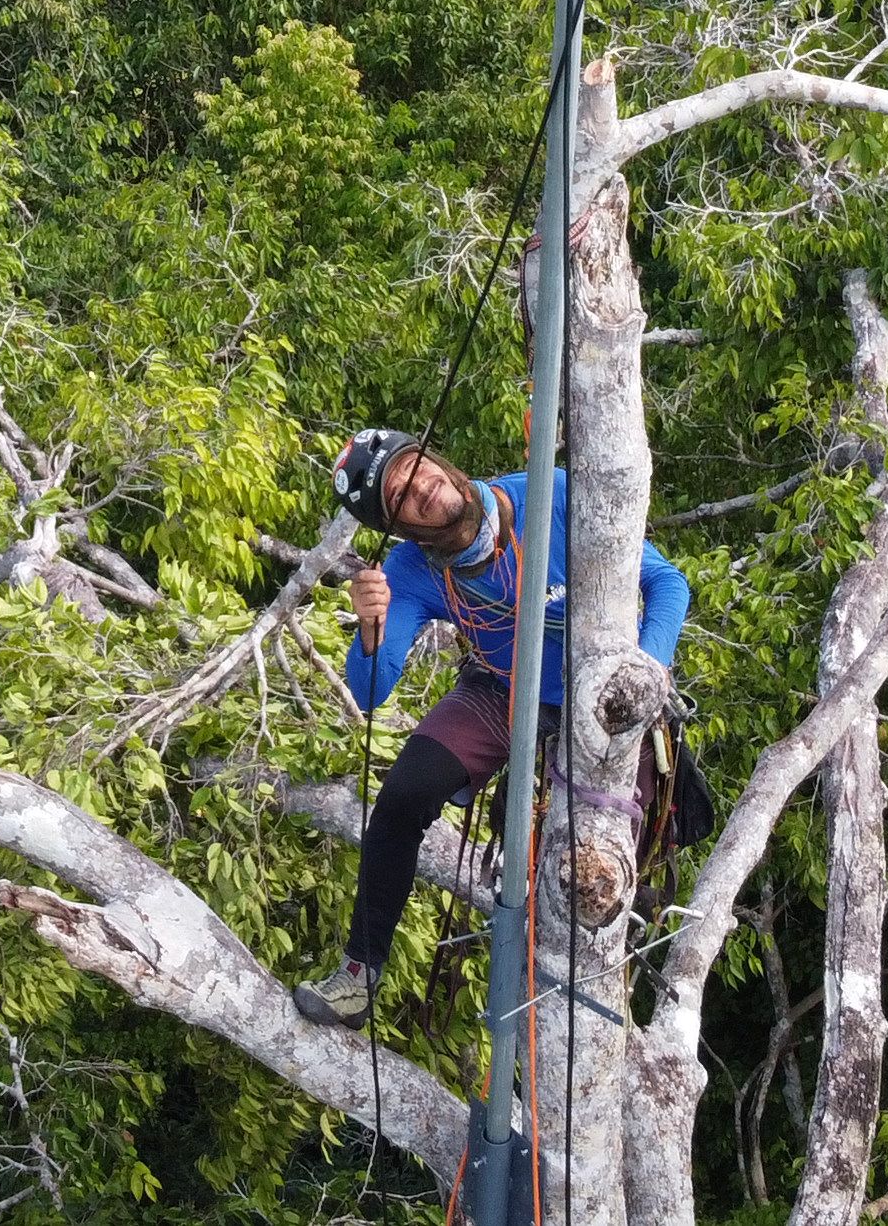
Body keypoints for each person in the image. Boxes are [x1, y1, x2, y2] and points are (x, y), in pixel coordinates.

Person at [289, 428, 691, 1029]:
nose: (422, 488)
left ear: (438, 460)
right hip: (502, 686)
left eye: (417, 466)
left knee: (598, 866)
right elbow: (371, 693)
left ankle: (617, 1009)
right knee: (402, 798)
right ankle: (359, 973)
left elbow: (665, 583)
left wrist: (643, 674)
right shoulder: (408, 571)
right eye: (401, 496)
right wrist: (370, 627)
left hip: (604, 689)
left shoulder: (547, 495)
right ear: (397, 527)